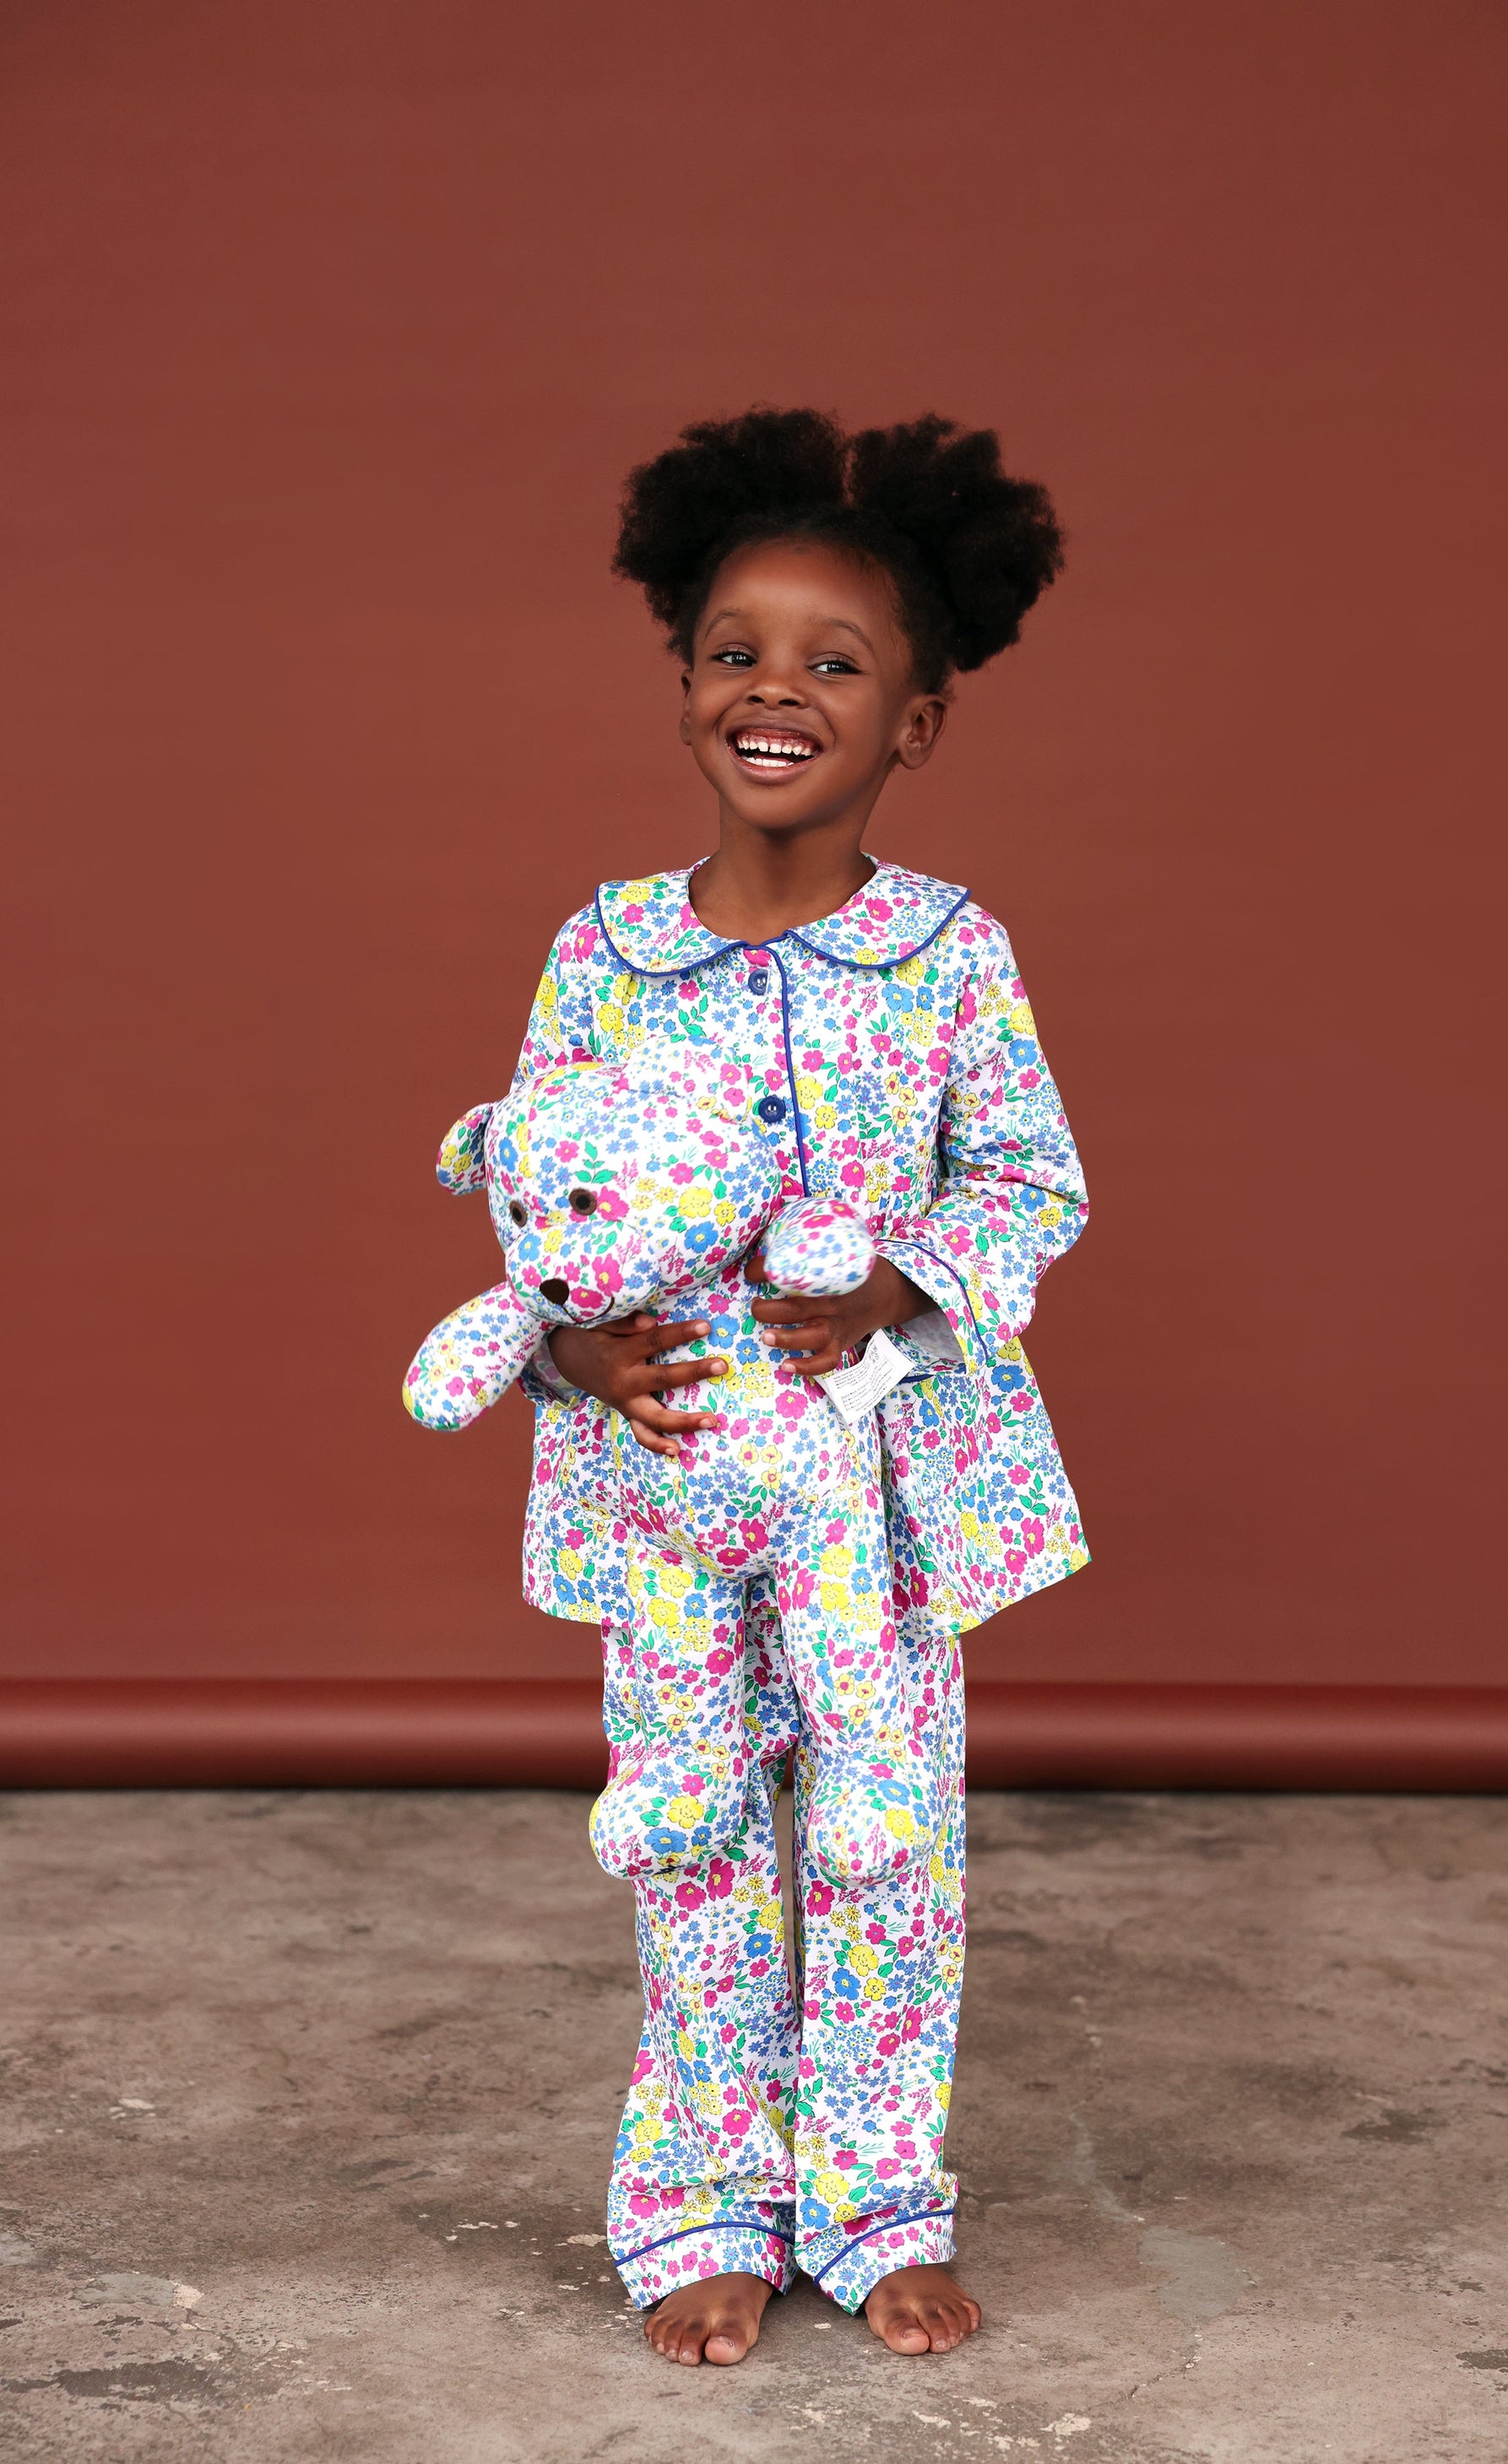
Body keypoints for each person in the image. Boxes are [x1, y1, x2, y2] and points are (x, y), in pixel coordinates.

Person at [509, 409, 1087, 2364]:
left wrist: (907, 1286)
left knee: (882, 1847)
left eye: (833, 661)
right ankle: (702, 2202)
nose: (776, 687)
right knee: (691, 1840)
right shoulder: (602, 952)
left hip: (880, 1502)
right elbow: (540, 1195)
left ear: (913, 721)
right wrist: (573, 1348)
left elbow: (1030, 1181)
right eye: (735, 649)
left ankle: (873, 2200)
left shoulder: (948, 954)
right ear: (683, 682)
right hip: (668, 1482)